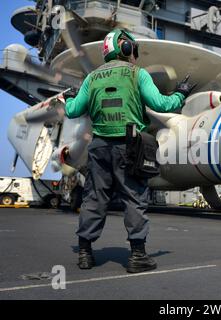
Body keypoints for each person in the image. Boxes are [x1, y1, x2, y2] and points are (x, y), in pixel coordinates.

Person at [64, 29, 195, 273]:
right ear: (125, 49)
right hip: (129, 146)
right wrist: (181, 94)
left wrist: (69, 98)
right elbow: (161, 104)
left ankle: (84, 253)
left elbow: (73, 110)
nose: (135, 53)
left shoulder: (92, 78)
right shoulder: (138, 74)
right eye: (132, 48)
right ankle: (137, 256)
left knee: (94, 198)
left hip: (99, 147)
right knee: (134, 199)